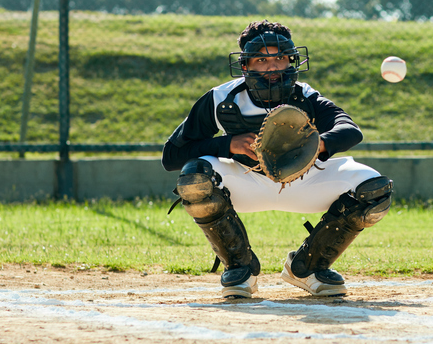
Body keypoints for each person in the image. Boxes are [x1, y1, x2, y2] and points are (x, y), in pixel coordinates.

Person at [162, 20, 392, 299]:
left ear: (292, 62)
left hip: (305, 183)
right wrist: (227, 144)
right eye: (261, 59)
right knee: (195, 177)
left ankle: (308, 267)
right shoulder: (221, 97)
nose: (272, 67)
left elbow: (350, 129)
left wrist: (318, 143)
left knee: (374, 189)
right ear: (245, 65)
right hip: (246, 183)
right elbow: (172, 155)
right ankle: (240, 268)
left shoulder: (304, 95)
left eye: (280, 58)